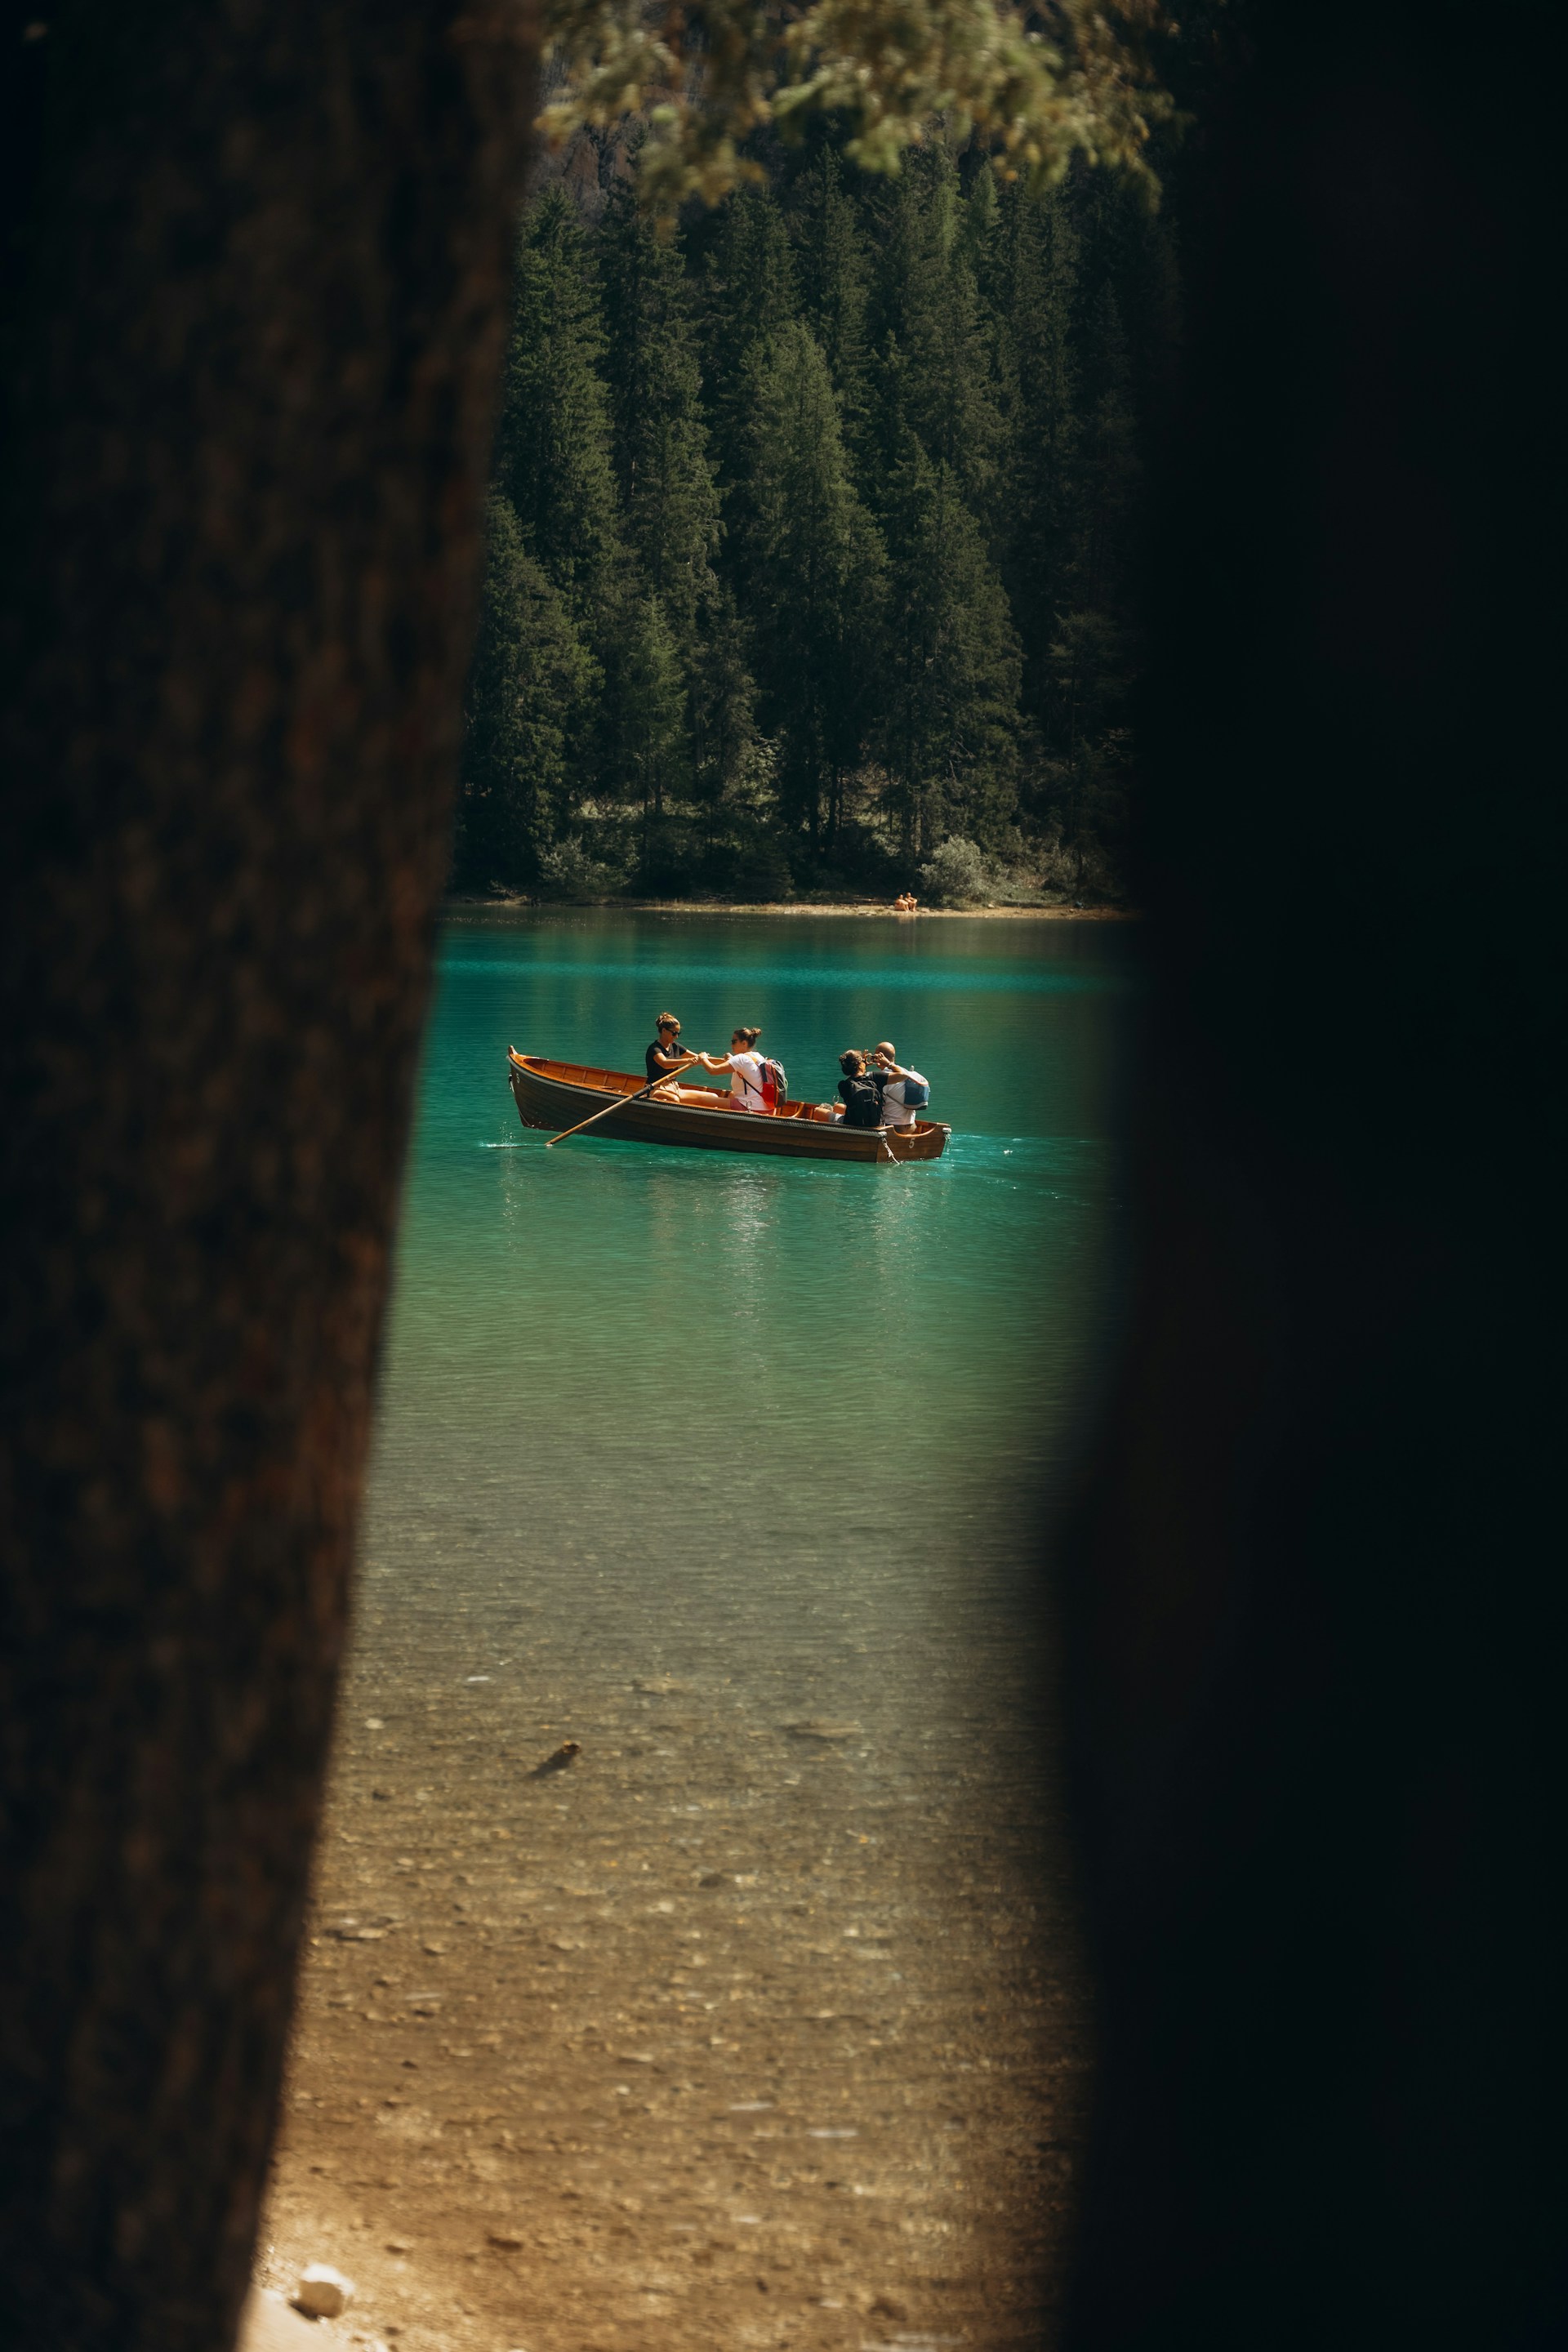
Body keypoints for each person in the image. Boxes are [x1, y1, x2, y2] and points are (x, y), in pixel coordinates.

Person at [692, 1026, 772, 1113]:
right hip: (767, 1108)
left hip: (749, 1107)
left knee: (703, 1100)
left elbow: (713, 1070)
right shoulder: (758, 1057)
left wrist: (703, 1058)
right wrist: (732, 1059)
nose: (731, 1044)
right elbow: (746, 1068)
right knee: (732, 1095)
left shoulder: (741, 1059)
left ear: (744, 1043)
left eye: (734, 1041)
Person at [644, 1013, 710, 1104]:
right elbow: (665, 1063)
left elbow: (700, 1058)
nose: (676, 1037)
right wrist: (688, 1061)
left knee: (711, 1097)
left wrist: (727, 1061)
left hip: (673, 1087)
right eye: (674, 1033)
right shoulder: (655, 1049)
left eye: (678, 1033)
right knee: (675, 1100)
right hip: (655, 1088)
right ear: (664, 1031)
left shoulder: (675, 1046)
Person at [872, 1040, 930, 1129]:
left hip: (892, 1128)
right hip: (912, 1127)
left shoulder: (883, 1078)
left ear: (879, 1057)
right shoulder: (907, 1073)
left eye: (874, 1056)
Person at [834, 1049, 885, 1128]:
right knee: (838, 1107)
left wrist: (861, 1067)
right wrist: (888, 1064)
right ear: (860, 1065)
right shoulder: (875, 1079)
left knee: (819, 1111)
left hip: (852, 1125)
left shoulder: (843, 1085)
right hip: (876, 1126)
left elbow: (858, 1082)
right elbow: (902, 1075)